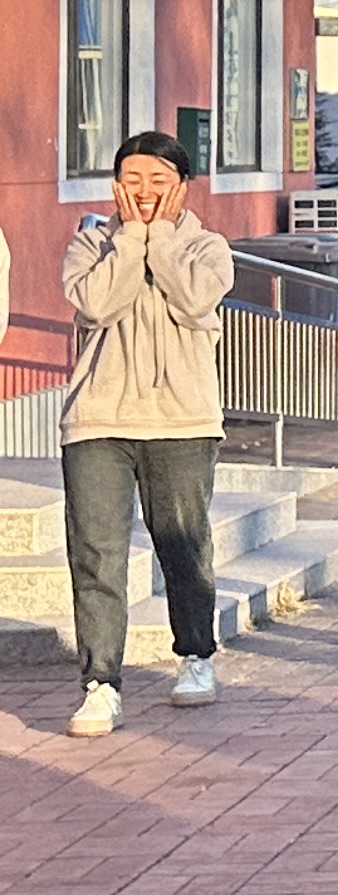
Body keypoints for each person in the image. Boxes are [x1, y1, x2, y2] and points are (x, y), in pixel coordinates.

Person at [58, 131, 236, 736]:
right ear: (115, 186)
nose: (145, 191)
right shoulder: (90, 244)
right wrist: (131, 237)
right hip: (98, 420)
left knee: (183, 544)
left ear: (183, 187)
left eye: (159, 180)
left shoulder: (208, 247)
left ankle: (196, 657)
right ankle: (101, 684)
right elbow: (98, 305)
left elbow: (192, 300)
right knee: (96, 554)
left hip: (182, 420)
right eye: (133, 180)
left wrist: (159, 237)